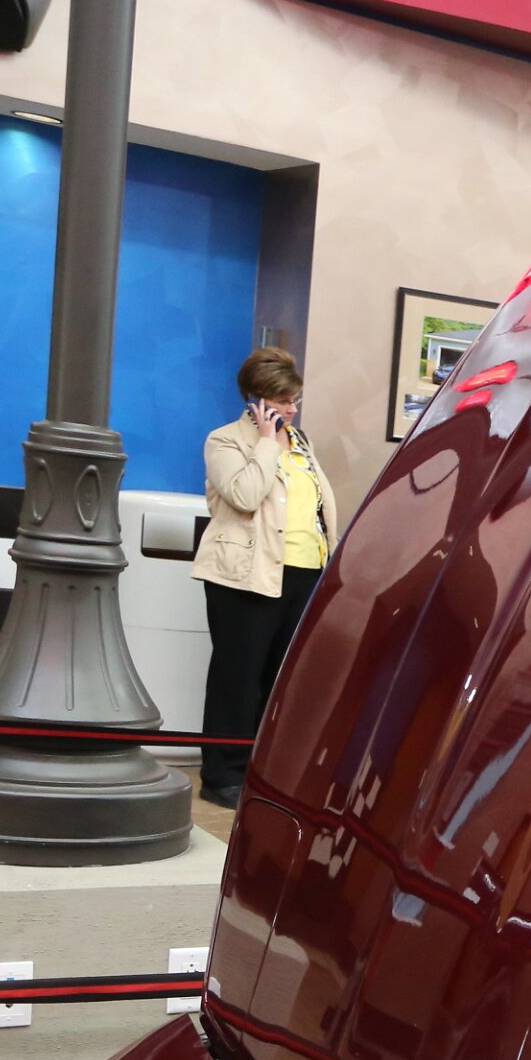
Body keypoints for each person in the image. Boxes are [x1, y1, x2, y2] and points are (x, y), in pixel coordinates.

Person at [194, 346, 338, 808]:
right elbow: (245, 494)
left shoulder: (301, 442)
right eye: (282, 401)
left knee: (281, 681)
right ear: (255, 401)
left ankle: (263, 773)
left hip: (303, 572)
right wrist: (265, 442)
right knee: (238, 679)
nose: (291, 410)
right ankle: (222, 777)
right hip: (246, 576)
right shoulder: (225, 441)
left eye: (295, 400)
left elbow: (317, 506)